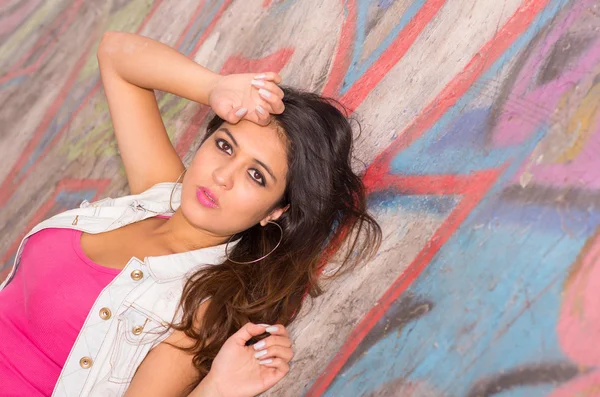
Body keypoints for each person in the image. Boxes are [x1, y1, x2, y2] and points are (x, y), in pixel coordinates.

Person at [0, 31, 382, 397]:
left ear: (277, 211)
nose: (222, 175)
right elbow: (115, 53)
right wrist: (213, 87)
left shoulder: (203, 307)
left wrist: (214, 390)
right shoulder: (159, 196)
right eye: (225, 145)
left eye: (256, 175)